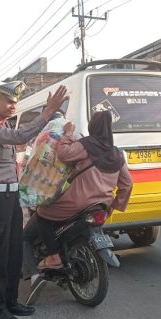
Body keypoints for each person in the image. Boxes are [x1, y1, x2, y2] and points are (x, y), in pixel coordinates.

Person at [0, 80, 67, 319]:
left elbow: (24, 138)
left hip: (11, 196)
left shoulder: (2, 126)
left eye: (15, 102)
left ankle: (11, 301)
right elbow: (20, 135)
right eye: (8, 100)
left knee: (14, 252)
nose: (12, 105)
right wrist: (47, 112)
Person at [29, 111, 133, 271]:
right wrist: (113, 206)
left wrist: (68, 133)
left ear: (93, 126)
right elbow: (127, 184)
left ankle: (54, 258)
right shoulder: (116, 153)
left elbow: (63, 154)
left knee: (42, 214)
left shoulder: (87, 145)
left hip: (76, 204)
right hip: (101, 205)